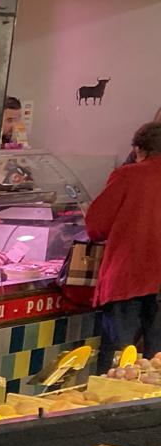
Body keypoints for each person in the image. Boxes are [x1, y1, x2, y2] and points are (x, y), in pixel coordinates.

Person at [85, 120, 161, 367]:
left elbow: (96, 226)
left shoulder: (129, 175)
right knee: (156, 368)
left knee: (118, 365)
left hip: (129, 279)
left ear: (139, 149)